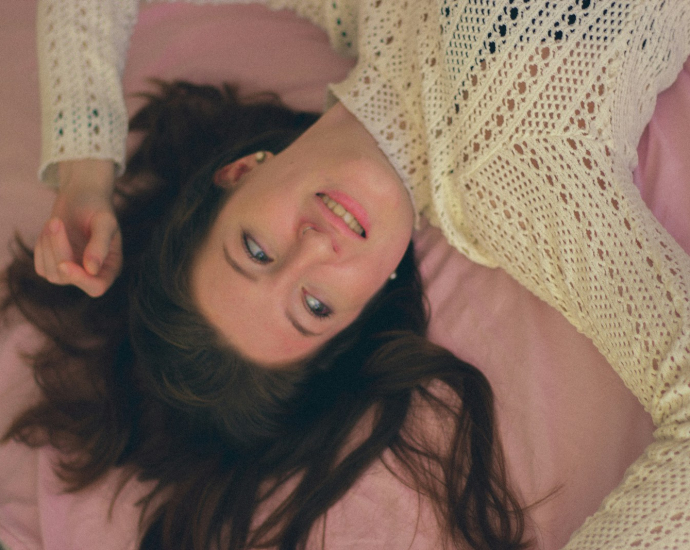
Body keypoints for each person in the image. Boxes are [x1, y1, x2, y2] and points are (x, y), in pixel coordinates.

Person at [7, 0, 690, 548]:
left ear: (243, 172)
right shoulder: (514, 190)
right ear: (370, 300)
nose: (312, 249)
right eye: (312, 304)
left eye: (255, 251)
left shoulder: (347, 11)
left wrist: (85, 176)